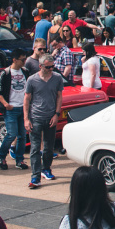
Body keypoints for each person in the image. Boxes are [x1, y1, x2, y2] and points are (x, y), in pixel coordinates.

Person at [24, 55, 65, 189]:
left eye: (52, 66)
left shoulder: (57, 78)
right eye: (48, 67)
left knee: (48, 147)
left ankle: (46, 168)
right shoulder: (32, 80)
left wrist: (56, 114)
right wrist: (26, 118)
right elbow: (27, 99)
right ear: (40, 66)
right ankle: (35, 176)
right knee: (35, 148)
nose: (51, 69)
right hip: (36, 117)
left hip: (50, 116)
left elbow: (59, 96)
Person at [0, 50, 30, 170]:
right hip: (11, 108)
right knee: (11, 134)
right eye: (22, 59)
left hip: (22, 107)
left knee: (22, 136)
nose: (24, 62)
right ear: (14, 60)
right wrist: (6, 104)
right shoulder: (5, 73)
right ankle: (1, 156)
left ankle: (19, 159)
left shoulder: (25, 72)